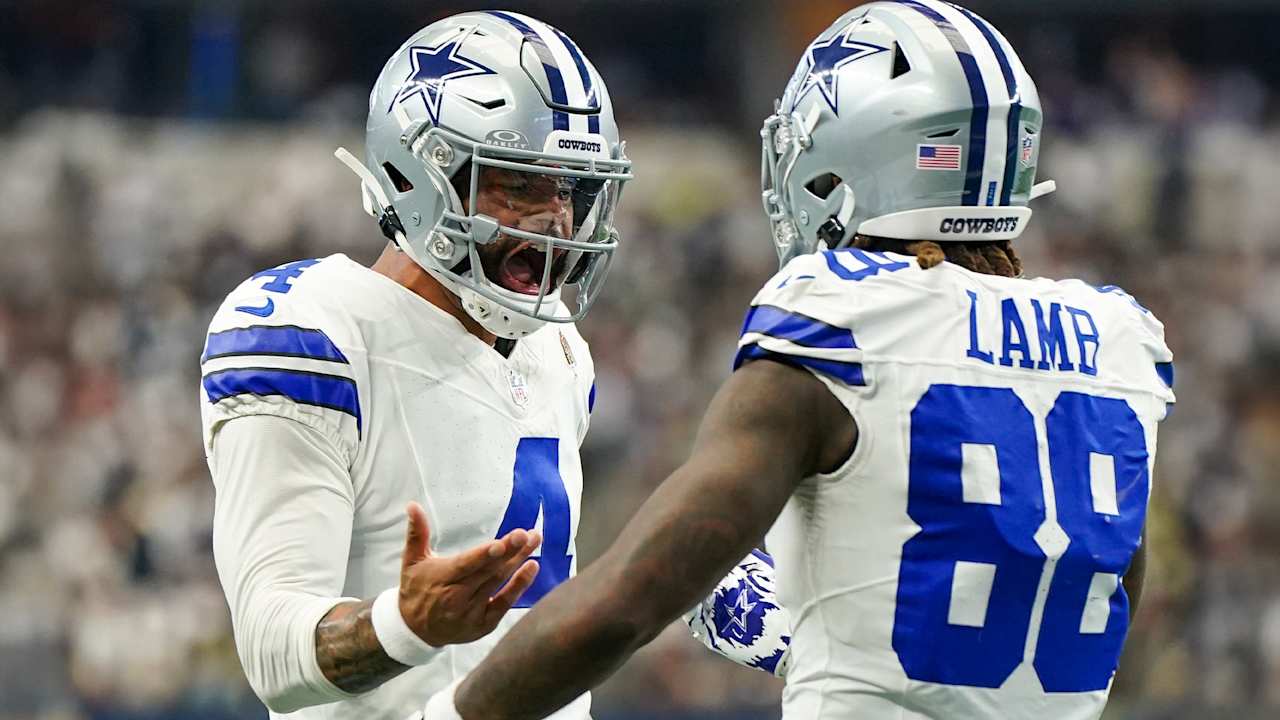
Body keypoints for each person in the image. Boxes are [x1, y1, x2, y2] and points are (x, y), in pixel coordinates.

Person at [419, 2, 1174, 719]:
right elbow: (1090, 605)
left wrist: (452, 712)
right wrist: (822, 629)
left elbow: (624, 607)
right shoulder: (1118, 340)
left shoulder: (839, 312)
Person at [200, 11, 786, 720]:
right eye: (519, 183)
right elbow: (272, 653)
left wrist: (676, 582)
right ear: (418, 175)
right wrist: (404, 625)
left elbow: (533, 600)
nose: (556, 221)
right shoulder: (314, 335)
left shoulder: (557, 347)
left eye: (570, 190)